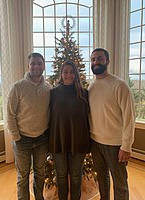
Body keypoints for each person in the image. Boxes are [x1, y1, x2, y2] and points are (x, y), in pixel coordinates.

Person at [88, 48, 135, 200]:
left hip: (115, 145)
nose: (96, 62)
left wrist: (126, 146)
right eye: (93, 59)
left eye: (100, 59)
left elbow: (129, 117)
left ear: (107, 61)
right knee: (102, 179)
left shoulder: (119, 85)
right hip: (95, 142)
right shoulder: (91, 87)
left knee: (120, 183)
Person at [7, 53, 51, 200]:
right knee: (23, 176)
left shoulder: (48, 88)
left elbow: (50, 113)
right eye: (33, 63)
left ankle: (39, 198)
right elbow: (10, 113)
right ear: (28, 66)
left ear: (44, 66)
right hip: (22, 140)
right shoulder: (18, 87)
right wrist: (16, 137)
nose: (36, 66)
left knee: (40, 173)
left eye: (39, 63)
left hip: (41, 139)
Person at [49, 60, 90, 200]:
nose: (68, 75)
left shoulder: (84, 93)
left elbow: (88, 117)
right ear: (61, 74)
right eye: (65, 72)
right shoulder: (53, 93)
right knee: (60, 175)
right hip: (58, 140)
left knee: (76, 175)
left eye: (71, 72)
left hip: (78, 141)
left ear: (76, 74)